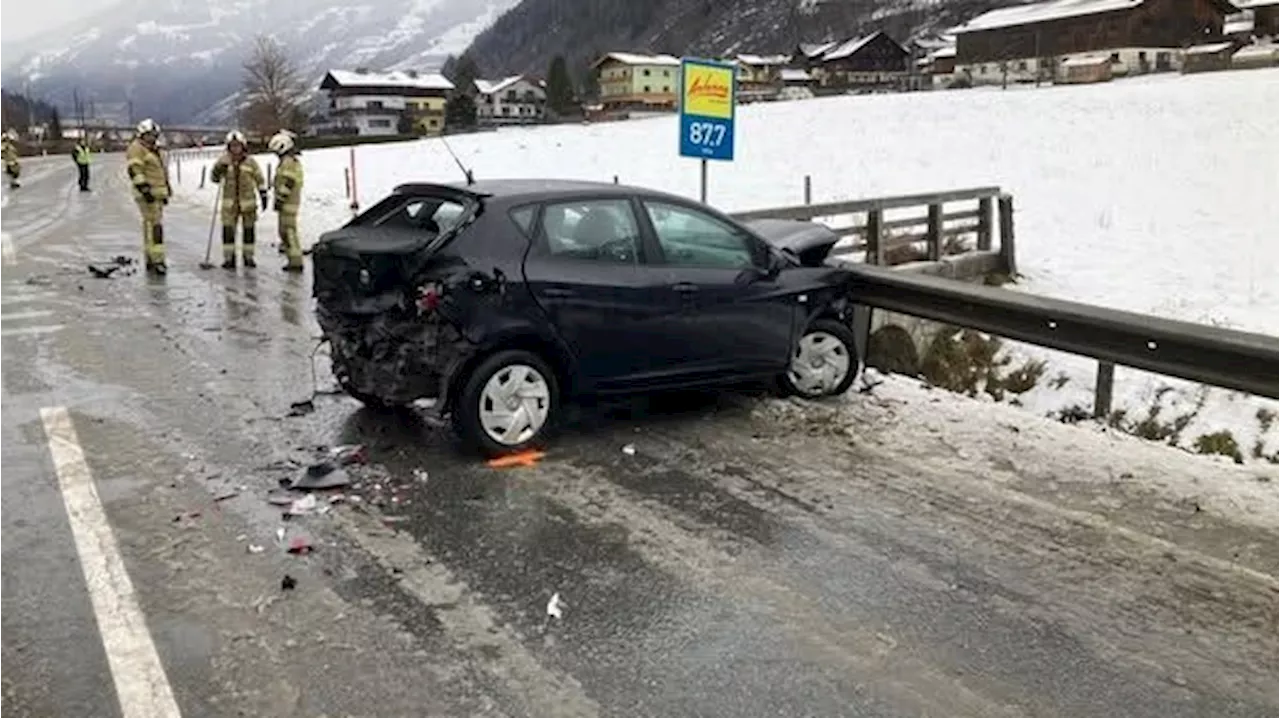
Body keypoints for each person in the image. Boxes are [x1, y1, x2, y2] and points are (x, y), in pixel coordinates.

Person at [210, 131, 267, 270]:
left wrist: (263, 193)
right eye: (232, 146)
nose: (235, 149)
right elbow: (214, 178)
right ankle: (229, 258)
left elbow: (259, 178)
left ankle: (248, 257)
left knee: (249, 231)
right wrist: (219, 170)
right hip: (230, 204)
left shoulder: (251, 162)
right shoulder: (223, 161)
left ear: (243, 146)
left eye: (238, 146)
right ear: (228, 147)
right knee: (228, 231)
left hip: (248, 203)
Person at [125, 119, 171, 275]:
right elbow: (134, 170)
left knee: (150, 226)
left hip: (156, 195)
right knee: (155, 227)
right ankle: (157, 260)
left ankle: (151, 259)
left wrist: (165, 191)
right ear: (141, 135)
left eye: (154, 135)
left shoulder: (154, 150)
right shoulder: (137, 148)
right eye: (148, 135)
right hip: (147, 195)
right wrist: (144, 189)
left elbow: (161, 173)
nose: (152, 138)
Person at [268, 130, 305, 272]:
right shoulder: (288, 161)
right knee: (285, 231)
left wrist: (280, 199)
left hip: (289, 203)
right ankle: (293, 259)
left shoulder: (288, 162)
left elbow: (289, 181)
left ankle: (296, 261)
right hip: (289, 202)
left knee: (288, 232)